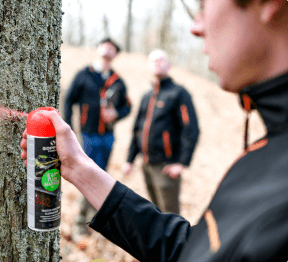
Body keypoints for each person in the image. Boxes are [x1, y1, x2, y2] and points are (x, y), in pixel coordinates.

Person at [21, 0, 288, 260]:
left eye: (204, 4)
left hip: (150, 156)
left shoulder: (167, 92)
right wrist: (80, 166)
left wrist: (180, 161)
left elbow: (185, 128)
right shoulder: (266, 155)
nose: (195, 26)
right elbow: (189, 249)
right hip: (104, 144)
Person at [63, 37, 132, 235]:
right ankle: (80, 222)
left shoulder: (117, 81)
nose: (108, 50)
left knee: (102, 176)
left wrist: (116, 114)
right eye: (106, 46)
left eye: (113, 48)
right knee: (89, 175)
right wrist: (69, 128)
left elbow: (127, 106)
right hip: (88, 135)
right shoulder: (84, 74)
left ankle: (97, 219)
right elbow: (69, 100)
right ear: (99, 49)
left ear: (115, 54)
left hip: (108, 137)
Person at [123, 49, 199, 214]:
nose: (157, 63)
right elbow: (137, 129)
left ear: (169, 65)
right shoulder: (147, 96)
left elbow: (191, 128)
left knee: (171, 215)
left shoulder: (178, 93)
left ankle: (180, 241)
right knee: (157, 212)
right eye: (153, 60)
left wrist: (181, 163)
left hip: (166, 166)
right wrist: (129, 160)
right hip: (146, 165)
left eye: (161, 60)